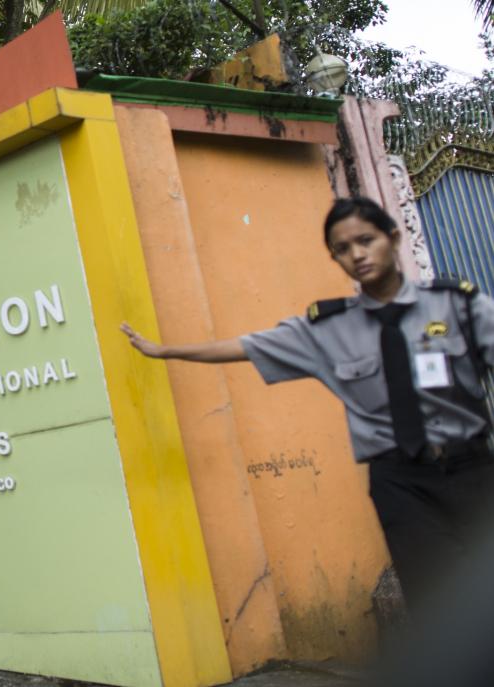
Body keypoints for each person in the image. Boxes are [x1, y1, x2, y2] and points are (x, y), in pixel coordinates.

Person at [121, 196, 494, 609]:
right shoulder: (325, 329)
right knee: (438, 602)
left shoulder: (456, 303)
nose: (357, 255)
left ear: (392, 236)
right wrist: (165, 351)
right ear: (335, 258)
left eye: (365, 240)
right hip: (401, 483)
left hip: (474, 470)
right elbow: (243, 346)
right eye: (342, 249)